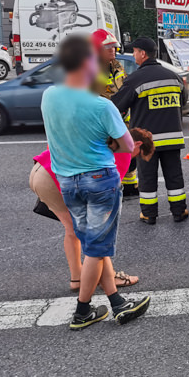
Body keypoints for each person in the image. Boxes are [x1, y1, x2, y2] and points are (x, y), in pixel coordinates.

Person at [41, 35, 150, 330]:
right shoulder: (102, 106)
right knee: (97, 249)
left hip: (67, 182)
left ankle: (116, 302)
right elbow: (127, 145)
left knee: (92, 242)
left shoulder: (49, 96)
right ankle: (83, 311)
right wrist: (135, 146)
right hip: (99, 181)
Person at [29, 128, 154, 292]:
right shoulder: (123, 150)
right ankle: (110, 278)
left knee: (73, 231)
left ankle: (77, 279)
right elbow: (109, 188)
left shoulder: (104, 138)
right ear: (137, 144)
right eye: (138, 154)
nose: (134, 158)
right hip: (53, 178)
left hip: (41, 171)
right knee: (97, 233)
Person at [112, 37, 188, 224]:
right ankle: (179, 212)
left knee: (147, 177)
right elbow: (183, 101)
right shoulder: (174, 77)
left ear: (143, 54)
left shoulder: (135, 79)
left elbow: (116, 105)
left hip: (147, 141)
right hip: (172, 138)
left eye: (135, 51)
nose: (133, 55)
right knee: (174, 176)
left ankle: (149, 214)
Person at [92, 29, 139, 198]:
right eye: (108, 47)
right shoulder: (91, 69)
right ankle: (107, 189)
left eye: (114, 46)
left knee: (127, 153)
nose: (113, 50)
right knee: (107, 157)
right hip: (103, 123)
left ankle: (129, 186)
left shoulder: (116, 65)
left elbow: (124, 87)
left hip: (123, 120)